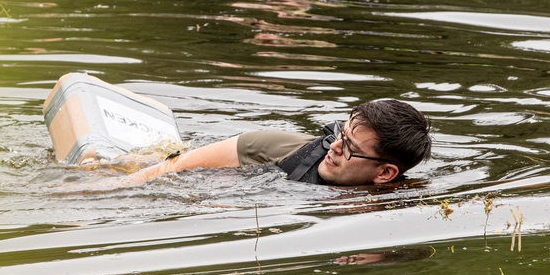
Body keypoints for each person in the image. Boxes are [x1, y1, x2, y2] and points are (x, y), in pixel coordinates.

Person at [122, 99, 432, 187]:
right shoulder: (269, 146)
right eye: (341, 133)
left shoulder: (396, 195)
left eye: (350, 147)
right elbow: (163, 172)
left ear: (385, 174)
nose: (334, 147)